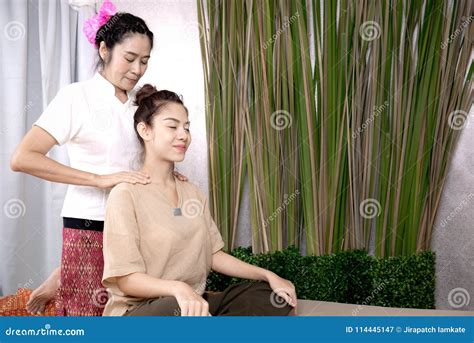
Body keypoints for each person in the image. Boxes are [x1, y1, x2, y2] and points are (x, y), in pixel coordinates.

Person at [10, 1, 185, 316]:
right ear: (104, 50)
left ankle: (62, 273)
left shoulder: (141, 104)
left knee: (127, 309)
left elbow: (147, 155)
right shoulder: (76, 97)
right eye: (129, 58)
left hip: (135, 222)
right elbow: (23, 157)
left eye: (144, 61)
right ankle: (65, 274)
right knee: (88, 313)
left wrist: (168, 176)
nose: (137, 69)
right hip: (90, 221)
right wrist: (99, 179)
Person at [102, 85, 297, 316]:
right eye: (172, 126)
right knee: (176, 309)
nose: (183, 135)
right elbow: (126, 280)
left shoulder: (192, 193)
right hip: (142, 311)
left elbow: (213, 255)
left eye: (186, 127)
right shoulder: (125, 194)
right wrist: (178, 289)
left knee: (270, 298)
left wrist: (268, 275)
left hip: (194, 304)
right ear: (145, 130)